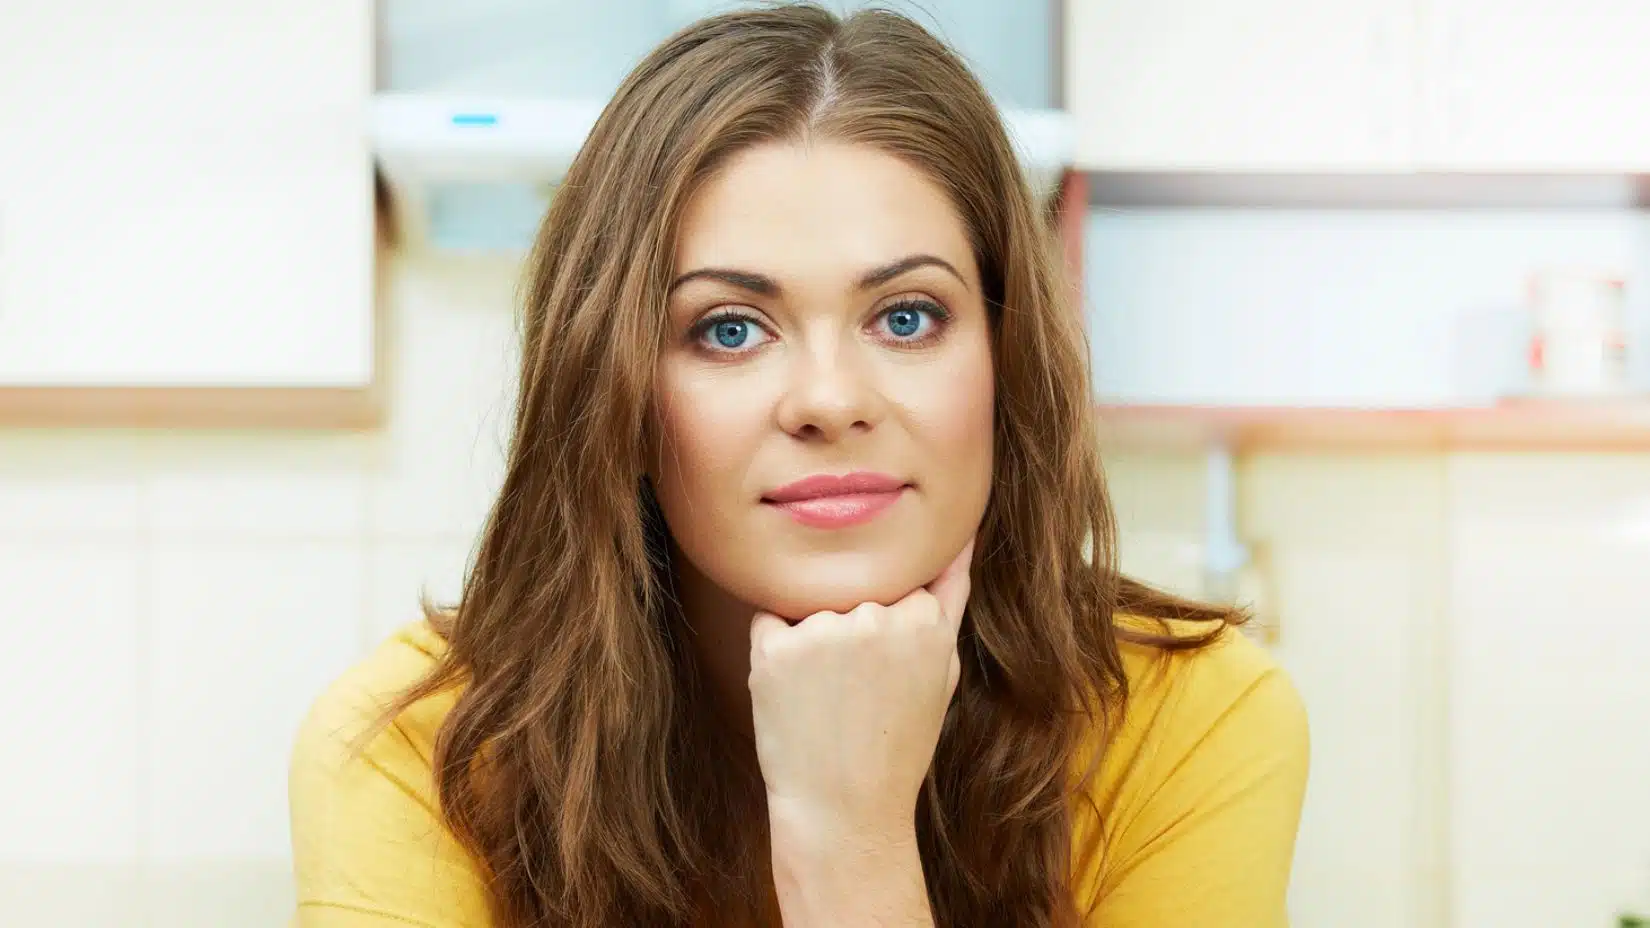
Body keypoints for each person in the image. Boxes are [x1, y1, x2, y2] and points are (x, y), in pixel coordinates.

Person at [289, 5, 1309, 926]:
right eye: (729, 329)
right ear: (620, 397)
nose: (829, 399)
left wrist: (850, 841)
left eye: (907, 317)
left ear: (1008, 363)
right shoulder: (424, 748)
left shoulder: (1189, 717)